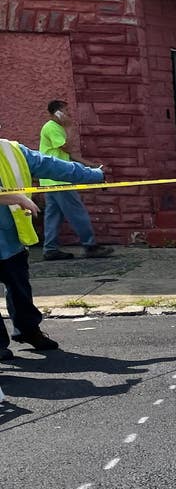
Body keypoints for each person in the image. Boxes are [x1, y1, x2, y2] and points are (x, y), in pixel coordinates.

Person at [0, 137, 105, 359]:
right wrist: (15, 197)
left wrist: (93, 174)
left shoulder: (11, 150)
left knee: (20, 289)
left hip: (11, 239)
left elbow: (51, 165)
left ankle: (28, 330)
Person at [38, 100, 113, 260]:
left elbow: (69, 155)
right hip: (59, 181)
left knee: (53, 216)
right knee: (77, 213)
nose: (69, 113)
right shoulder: (52, 127)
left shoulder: (55, 128)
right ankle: (90, 245)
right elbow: (66, 147)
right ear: (57, 113)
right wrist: (69, 127)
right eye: (66, 110)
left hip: (51, 180)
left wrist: (92, 166)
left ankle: (50, 249)